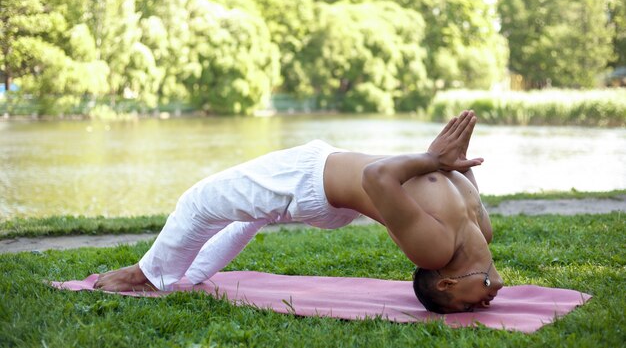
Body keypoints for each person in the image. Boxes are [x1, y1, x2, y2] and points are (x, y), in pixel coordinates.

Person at [95, 110, 503, 313]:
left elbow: (377, 178)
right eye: (477, 302)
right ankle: (186, 273)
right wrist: (454, 160)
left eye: (470, 305)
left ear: (447, 284)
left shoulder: (432, 251)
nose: (486, 300)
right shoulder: (480, 230)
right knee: (249, 215)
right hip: (319, 179)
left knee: (198, 203)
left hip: (307, 180)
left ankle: (147, 275)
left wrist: (432, 158)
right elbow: (442, 175)